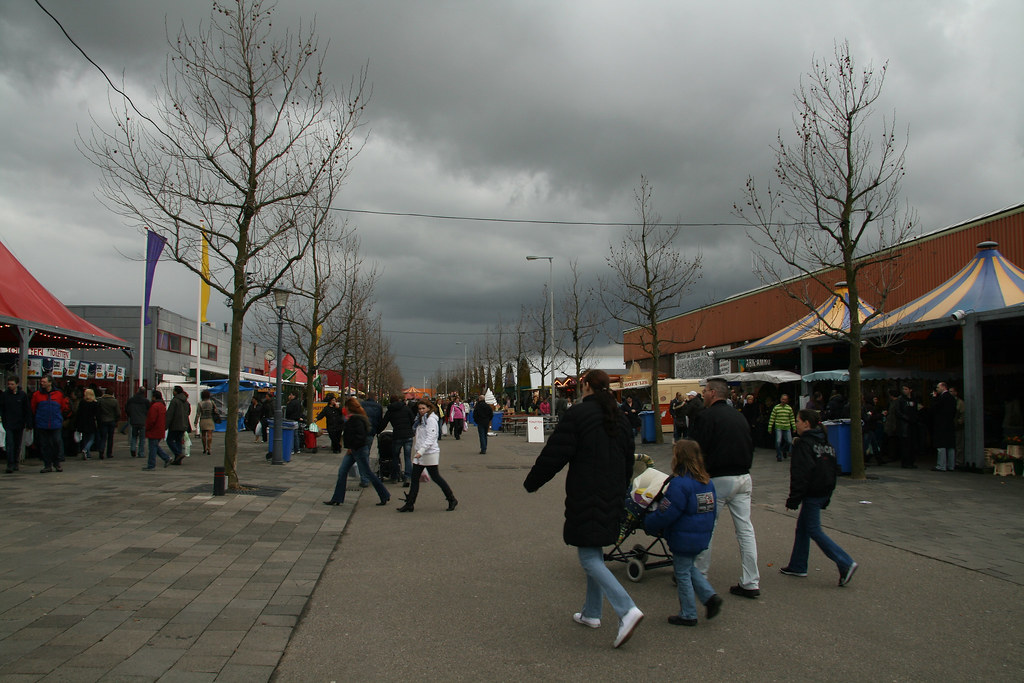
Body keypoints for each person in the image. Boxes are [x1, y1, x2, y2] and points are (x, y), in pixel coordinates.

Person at [524, 369, 643, 649]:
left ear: (586, 386)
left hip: (587, 491)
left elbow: (555, 453)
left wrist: (533, 482)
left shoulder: (578, 415)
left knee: (588, 557)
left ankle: (627, 609)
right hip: (613, 490)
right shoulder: (619, 417)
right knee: (595, 549)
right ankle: (592, 612)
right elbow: (629, 457)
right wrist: (623, 487)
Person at [690, 377, 760, 599]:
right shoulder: (738, 416)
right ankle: (751, 581)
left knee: (706, 527)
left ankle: (699, 576)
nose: (703, 394)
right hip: (743, 477)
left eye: (705, 391)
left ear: (713, 393)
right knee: (745, 530)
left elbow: (697, 449)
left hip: (717, 478)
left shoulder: (705, 417)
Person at [644, 439, 722, 627]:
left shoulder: (679, 484)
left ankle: (688, 613)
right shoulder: (707, 482)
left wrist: (649, 523)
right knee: (688, 567)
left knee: (682, 573)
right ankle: (709, 597)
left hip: (683, 536)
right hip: (700, 534)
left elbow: (667, 512)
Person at [780, 410, 858, 587]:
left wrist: (793, 499)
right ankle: (798, 564)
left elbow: (800, 473)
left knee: (814, 529)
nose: (796, 424)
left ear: (806, 423)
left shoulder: (804, 444)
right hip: (823, 490)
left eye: (798, 421)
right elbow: (833, 469)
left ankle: (845, 562)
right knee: (803, 528)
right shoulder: (826, 443)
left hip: (812, 492)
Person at [323, 397, 390, 507]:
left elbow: (360, 436)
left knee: (367, 473)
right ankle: (337, 498)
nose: (344, 409)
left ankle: (384, 494)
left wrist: (352, 446)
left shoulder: (357, 419)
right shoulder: (353, 418)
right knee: (343, 471)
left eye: (346, 407)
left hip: (358, 450)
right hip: (354, 449)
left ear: (349, 408)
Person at [396, 399, 458, 512]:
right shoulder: (420, 419)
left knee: (436, 477)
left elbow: (431, 437)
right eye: (419, 408)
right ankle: (410, 503)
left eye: (423, 408)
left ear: (429, 408)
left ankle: (451, 498)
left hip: (429, 453)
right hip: (420, 453)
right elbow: (420, 436)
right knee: (415, 478)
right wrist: (419, 450)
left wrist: (421, 451)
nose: (421, 410)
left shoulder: (431, 420)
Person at [31, 375, 70, 473]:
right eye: (41, 382)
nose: (42, 383)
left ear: (50, 382)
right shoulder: (37, 395)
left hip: (55, 423)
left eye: (44, 382)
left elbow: (63, 407)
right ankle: (47, 465)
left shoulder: (59, 394)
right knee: (45, 445)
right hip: (42, 423)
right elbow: (33, 408)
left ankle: (57, 463)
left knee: (56, 443)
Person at [379, 394, 415, 486]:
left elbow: (384, 423)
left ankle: (394, 476)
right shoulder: (406, 408)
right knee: (407, 457)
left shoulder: (390, 411)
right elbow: (412, 420)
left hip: (397, 436)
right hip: (408, 435)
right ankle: (407, 476)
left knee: (395, 457)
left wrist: (377, 431)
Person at [1, 376, 32, 473]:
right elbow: (2, 408)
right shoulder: (5, 395)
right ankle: (10, 464)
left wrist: (28, 423)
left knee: (17, 444)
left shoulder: (22, 395)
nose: (10, 386)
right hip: (8, 423)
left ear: (17, 384)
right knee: (10, 444)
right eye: (9, 384)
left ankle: (15, 462)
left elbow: (27, 409)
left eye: (12, 384)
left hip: (19, 424)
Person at [893, 384, 921, 469]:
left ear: (910, 390)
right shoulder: (900, 400)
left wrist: (915, 418)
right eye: (903, 389)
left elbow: (916, 410)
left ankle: (911, 461)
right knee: (905, 445)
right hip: (904, 425)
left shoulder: (914, 400)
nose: (904, 391)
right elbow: (898, 412)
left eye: (906, 389)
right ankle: (905, 462)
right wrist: (906, 418)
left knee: (912, 444)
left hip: (912, 424)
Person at [931, 382, 957, 472]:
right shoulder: (952, 398)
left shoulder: (942, 398)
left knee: (941, 444)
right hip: (950, 423)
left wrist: (934, 397)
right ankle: (951, 465)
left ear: (943, 387)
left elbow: (934, 407)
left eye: (938, 387)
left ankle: (941, 465)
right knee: (950, 445)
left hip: (941, 423)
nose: (937, 389)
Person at [143, 389, 172, 469]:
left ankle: (151, 465)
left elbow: (151, 420)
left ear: (154, 397)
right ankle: (166, 458)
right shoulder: (162, 406)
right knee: (155, 446)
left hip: (154, 430)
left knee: (152, 448)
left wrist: (147, 428)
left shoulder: (154, 406)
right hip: (160, 429)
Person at [165, 385, 191, 466]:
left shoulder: (174, 401)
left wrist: (166, 425)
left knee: (169, 440)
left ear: (176, 392)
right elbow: (188, 413)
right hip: (183, 425)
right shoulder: (186, 402)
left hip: (175, 424)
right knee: (178, 441)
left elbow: (170, 414)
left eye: (174, 390)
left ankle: (178, 454)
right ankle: (178, 459)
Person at [768, 393, 796, 462]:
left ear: (787, 400)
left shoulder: (789, 408)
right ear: (780, 399)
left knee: (789, 442)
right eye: (783, 399)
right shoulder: (776, 408)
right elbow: (772, 418)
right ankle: (779, 455)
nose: (784, 401)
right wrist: (770, 427)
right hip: (778, 426)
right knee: (778, 441)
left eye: (785, 399)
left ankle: (783, 449)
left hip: (787, 427)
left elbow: (792, 418)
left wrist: (794, 427)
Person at [75, 388, 101, 460]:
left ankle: (87, 454)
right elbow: (97, 415)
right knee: (92, 439)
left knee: (85, 438)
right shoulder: (94, 403)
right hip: (91, 422)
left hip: (82, 423)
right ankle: (86, 449)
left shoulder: (82, 402)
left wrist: (77, 424)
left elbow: (78, 413)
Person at [125, 388, 150, 458]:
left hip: (134, 420)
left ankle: (133, 448)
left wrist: (130, 415)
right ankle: (141, 453)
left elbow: (127, 409)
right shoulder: (146, 401)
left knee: (134, 436)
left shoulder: (131, 400)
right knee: (142, 438)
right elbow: (149, 411)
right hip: (143, 421)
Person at [96, 387, 120, 458]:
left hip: (103, 420)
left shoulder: (101, 401)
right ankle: (109, 453)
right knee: (110, 438)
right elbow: (118, 413)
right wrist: (116, 420)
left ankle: (101, 450)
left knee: (103, 437)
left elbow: (98, 411)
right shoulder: (114, 401)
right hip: (112, 420)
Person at [194, 389, 217, 455]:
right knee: (209, 435)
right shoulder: (212, 402)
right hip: (210, 419)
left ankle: (204, 448)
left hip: (203, 420)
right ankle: (209, 448)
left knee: (203, 435)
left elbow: (198, 414)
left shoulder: (200, 403)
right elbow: (215, 411)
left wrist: (196, 421)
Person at [285, 391, 304, 455]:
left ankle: (292, 449)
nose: (289, 396)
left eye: (291, 395)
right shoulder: (298, 402)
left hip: (291, 419)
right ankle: (297, 449)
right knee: (296, 435)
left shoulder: (291, 403)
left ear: (294, 396)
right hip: (297, 419)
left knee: (291, 435)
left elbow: (288, 411)